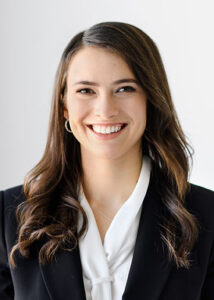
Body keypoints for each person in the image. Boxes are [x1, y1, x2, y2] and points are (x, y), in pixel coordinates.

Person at [0, 21, 214, 300]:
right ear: (64, 105)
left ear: (150, 99)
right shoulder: (9, 217)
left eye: (124, 89)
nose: (105, 110)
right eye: (86, 91)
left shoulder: (206, 217)